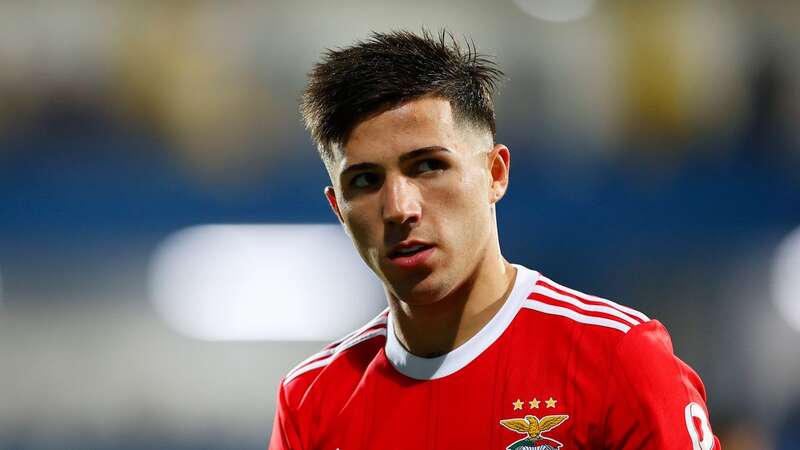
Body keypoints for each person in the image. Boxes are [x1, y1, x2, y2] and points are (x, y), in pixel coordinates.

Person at [270, 29, 721, 450]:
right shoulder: (310, 402)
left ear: (495, 174)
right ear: (338, 210)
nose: (400, 208)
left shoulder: (617, 358)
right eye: (366, 180)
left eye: (428, 166)